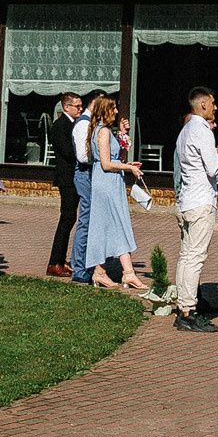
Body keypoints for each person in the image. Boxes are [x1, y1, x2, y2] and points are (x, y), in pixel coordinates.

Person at [171, 85, 218, 331]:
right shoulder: (201, 130)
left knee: (186, 257)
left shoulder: (185, 130)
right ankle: (188, 310)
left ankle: (184, 306)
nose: (216, 107)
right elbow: (214, 170)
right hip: (200, 201)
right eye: (213, 103)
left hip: (187, 200)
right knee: (195, 258)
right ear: (202, 105)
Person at [81, 94, 149, 296]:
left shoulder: (106, 132)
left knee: (110, 225)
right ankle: (123, 272)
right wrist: (128, 168)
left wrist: (123, 134)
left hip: (111, 181)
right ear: (105, 110)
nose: (117, 111)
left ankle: (103, 270)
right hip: (106, 182)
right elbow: (106, 163)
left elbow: (116, 157)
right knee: (115, 223)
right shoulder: (102, 132)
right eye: (113, 108)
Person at [46, 92, 85, 277]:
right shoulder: (61, 125)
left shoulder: (73, 124)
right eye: (77, 106)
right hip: (67, 178)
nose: (80, 109)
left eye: (81, 105)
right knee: (67, 218)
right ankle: (55, 262)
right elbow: (68, 152)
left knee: (70, 219)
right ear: (66, 107)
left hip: (73, 176)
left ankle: (61, 260)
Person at [67, 91, 100, 283]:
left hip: (91, 174)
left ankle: (87, 263)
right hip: (85, 173)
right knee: (85, 220)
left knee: (91, 220)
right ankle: (79, 268)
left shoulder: (92, 123)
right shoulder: (84, 124)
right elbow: (82, 156)